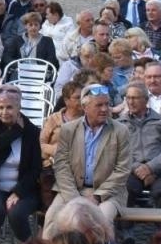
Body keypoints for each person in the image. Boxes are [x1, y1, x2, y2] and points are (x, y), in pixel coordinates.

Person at [47, 84, 130, 226]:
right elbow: (61, 166)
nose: (104, 109)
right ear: (85, 108)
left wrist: (97, 196)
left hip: (108, 193)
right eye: (99, 105)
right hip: (72, 190)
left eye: (107, 104)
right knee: (52, 219)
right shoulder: (68, 130)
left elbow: (122, 170)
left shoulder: (121, 131)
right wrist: (74, 198)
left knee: (100, 222)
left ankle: (101, 242)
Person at [0, 83, 42, 244]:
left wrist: (18, 192)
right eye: (0, 108)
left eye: (9, 107)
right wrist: (16, 130)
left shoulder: (32, 132)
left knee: (16, 214)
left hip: (24, 189)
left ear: (19, 107)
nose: (4, 112)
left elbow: (35, 169)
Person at [118, 81, 161, 208]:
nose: (130, 102)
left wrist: (150, 168)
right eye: (128, 98)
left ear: (146, 100)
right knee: (123, 189)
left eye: (135, 98)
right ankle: (124, 221)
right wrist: (138, 168)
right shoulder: (120, 124)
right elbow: (119, 153)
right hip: (131, 170)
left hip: (160, 170)